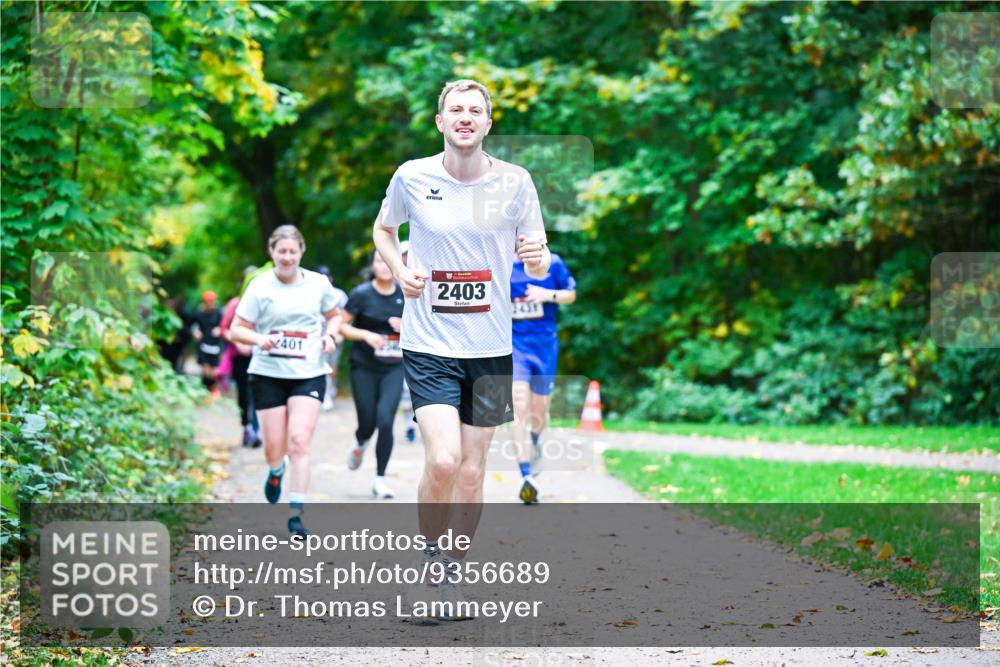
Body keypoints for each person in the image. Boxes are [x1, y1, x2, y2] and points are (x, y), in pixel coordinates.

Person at [372, 79, 550, 616]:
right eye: (456, 109)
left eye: (476, 110)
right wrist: (401, 268)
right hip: (429, 343)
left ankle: (452, 576)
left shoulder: (516, 182)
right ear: (441, 121)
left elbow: (537, 260)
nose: (466, 117)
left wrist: (537, 258)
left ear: (488, 123)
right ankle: (430, 564)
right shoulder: (412, 175)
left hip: (491, 346)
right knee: (444, 460)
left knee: (472, 471)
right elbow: (384, 230)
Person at [229, 225, 342, 538]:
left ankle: (296, 513)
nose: (288, 257)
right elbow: (237, 329)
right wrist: (259, 338)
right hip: (267, 373)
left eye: (293, 251)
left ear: (301, 251)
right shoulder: (259, 286)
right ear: (272, 252)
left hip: (309, 371)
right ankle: (276, 471)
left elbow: (335, 315)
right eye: (282, 251)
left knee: (299, 441)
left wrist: (331, 335)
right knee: (274, 449)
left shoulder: (318, 284)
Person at [510, 253, 576, 504]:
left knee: (540, 411)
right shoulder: (500, 261)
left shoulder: (553, 263)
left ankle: (534, 441)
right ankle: (526, 476)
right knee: (518, 406)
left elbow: (570, 294)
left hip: (544, 346)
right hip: (514, 345)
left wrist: (547, 294)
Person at [341, 250, 406, 499]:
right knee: (367, 421)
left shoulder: (405, 293)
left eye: (388, 260)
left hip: (394, 366)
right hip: (364, 366)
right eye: (379, 260)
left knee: (386, 420)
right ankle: (361, 442)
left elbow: (426, 324)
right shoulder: (361, 294)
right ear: (372, 265)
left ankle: (380, 479)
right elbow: (343, 326)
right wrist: (366, 335)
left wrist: (407, 325)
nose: (384, 265)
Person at [220, 266, 262, 447]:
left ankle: (256, 429)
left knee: (260, 393)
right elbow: (225, 328)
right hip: (240, 357)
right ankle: (247, 427)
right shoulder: (235, 304)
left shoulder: (266, 302)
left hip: (260, 355)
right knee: (244, 394)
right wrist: (239, 343)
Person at [317, 265, 348, 411]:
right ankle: (323, 394)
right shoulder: (310, 293)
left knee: (332, 367)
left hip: (334, 334)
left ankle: (330, 391)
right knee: (319, 366)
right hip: (316, 335)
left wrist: (340, 332)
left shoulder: (339, 295)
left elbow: (346, 315)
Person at [192, 290, 223, 398]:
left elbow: (225, 325)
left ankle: (213, 390)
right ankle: (204, 391)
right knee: (205, 369)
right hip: (204, 344)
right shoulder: (199, 314)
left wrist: (220, 329)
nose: (210, 304)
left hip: (215, 345)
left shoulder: (219, 313)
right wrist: (195, 332)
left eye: (212, 301)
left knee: (213, 371)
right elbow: (194, 325)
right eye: (208, 302)